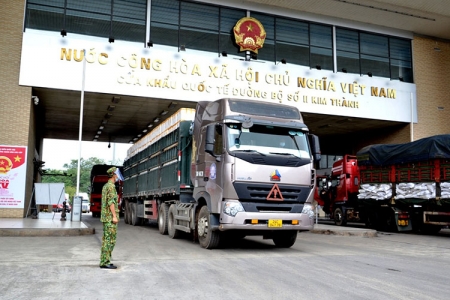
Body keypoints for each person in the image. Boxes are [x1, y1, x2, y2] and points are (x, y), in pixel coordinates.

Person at [99, 166, 123, 269]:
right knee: (110, 240)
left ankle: (105, 260)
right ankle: (105, 262)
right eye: (116, 174)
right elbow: (111, 202)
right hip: (109, 218)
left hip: (106, 217)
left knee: (107, 240)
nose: (118, 176)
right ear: (113, 175)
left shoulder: (106, 186)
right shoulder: (111, 187)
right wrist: (114, 216)